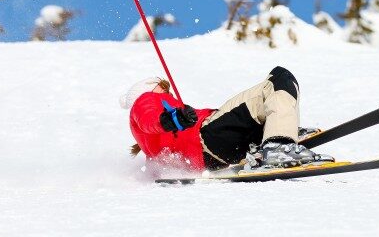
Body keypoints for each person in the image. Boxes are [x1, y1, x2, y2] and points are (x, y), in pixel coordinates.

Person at [122, 66, 333, 172]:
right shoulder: (146, 100)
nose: (166, 90)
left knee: (255, 107)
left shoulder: (149, 141)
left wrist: (175, 119)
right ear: (149, 88)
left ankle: (271, 137)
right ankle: (278, 142)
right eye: (162, 85)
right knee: (279, 79)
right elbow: (148, 117)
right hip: (209, 138)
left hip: (214, 157)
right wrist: (172, 119)